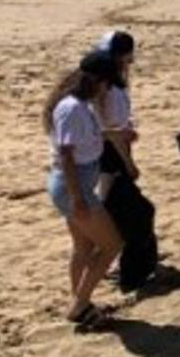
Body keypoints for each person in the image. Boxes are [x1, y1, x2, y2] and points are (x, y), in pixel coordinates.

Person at [44, 52, 124, 330]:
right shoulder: (73, 108)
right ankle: (79, 305)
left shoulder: (80, 105)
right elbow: (66, 154)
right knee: (112, 244)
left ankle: (81, 301)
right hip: (73, 186)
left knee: (84, 247)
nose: (108, 89)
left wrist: (113, 134)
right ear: (97, 80)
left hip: (74, 183)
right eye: (107, 83)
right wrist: (79, 198)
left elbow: (82, 141)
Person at [93, 31, 139, 197]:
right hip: (112, 151)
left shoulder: (108, 84)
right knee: (108, 199)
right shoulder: (110, 88)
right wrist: (129, 163)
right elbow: (114, 132)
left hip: (107, 147)